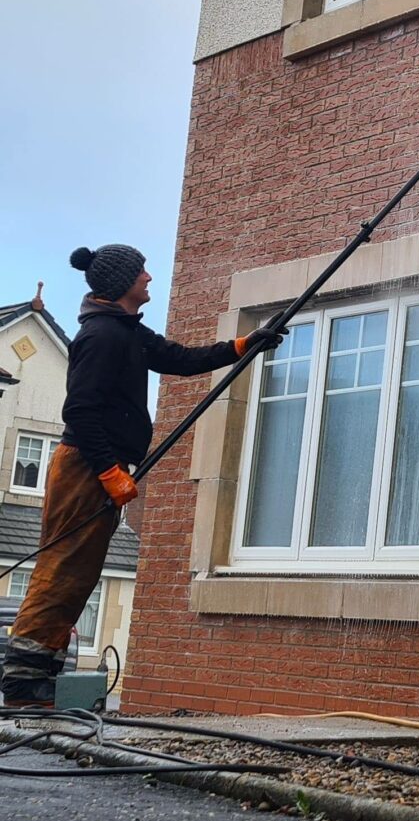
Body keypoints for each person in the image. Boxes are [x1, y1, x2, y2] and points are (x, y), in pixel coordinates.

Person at [1, 244, 283, 707]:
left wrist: (241, 347)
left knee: (80, 570)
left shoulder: (125, 331)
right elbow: (81, 410)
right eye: (141, 272)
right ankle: (22, 680)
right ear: (122, 283)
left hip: (98, 467)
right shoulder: (101, 337)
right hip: (84, 467)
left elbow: (177, 357)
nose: (149, 278)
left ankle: (40, 676)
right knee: (63, 568)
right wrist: (110, 472)